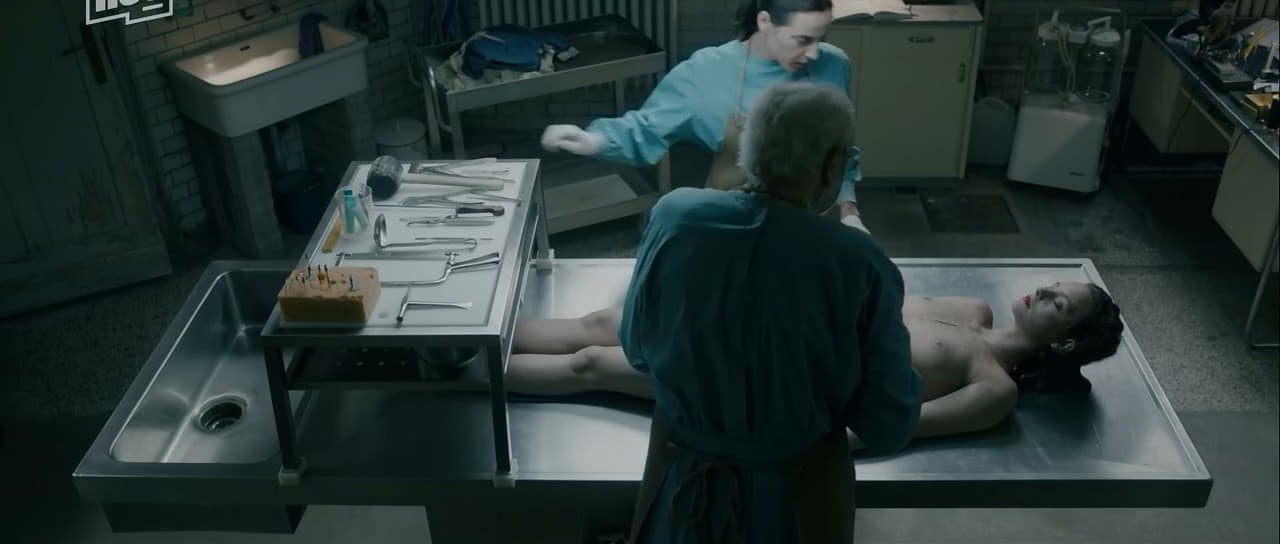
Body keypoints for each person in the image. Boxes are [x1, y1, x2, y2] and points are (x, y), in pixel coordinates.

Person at [597, 81, 919, 543]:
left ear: (749, 147)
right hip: (797, 506)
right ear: (832, 163)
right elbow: (888, 425)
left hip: (684, 488)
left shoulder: (675, 217)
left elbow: (637, 348)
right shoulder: (857, 262)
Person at [509, 280, 1125, 441]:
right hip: (761, 322)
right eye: (1053, 286)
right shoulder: (971, 308)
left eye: (1060, 304)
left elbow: (892, 429)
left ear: (1065, 343)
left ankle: (465, 376)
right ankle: (474, 338)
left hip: (765, 382)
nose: (1044, 291)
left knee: (592, 363)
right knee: (602, 324)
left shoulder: (992, 388)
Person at [539, 0, 873, 232]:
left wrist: (849, 212)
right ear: (764, 22)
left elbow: (841, 151)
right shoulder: (706, 72)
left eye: (820, 39)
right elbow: (646, 127)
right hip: (731, 227)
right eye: (802, 40)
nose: (813, 52)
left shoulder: (834, 65)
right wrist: (594, 139)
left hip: (810, 226)